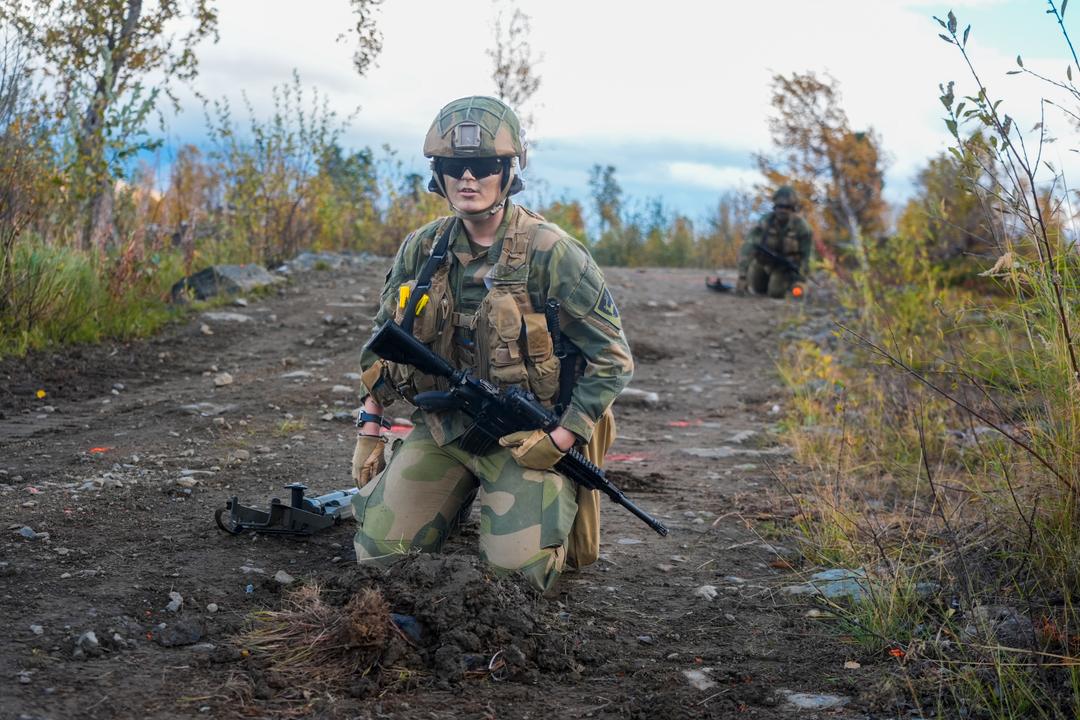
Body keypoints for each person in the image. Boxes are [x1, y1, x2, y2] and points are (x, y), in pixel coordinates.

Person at [349, 96, 634, 593]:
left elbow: (613, 360)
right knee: (378, 559)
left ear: (508, 171)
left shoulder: (553, 253)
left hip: (525, 441)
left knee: (514, 581)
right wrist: (369, 428)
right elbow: (382, 344)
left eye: (482, 166)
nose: (467, 179)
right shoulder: (423, 249)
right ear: (438, 175)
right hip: (445, 428)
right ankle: (441, 493)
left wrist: (561, 439)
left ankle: (542, 514)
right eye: (454, 166)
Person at [734, 186, 813, 298]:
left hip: (786, 269)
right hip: (764, 264)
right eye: (780, 206)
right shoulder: (765, 222)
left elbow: (808, 256)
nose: (783, 210)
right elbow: (749, 245)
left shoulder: (802, 227)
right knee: (758, 289)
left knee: (775, 293)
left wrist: (802, 278)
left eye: (787, 207)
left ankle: (794, 286)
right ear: (775, 207)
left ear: (793, 209)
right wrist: (742, 276)